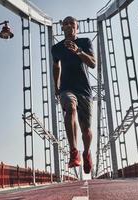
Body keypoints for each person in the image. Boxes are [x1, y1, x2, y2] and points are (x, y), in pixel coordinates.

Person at [51, 16, 96, 174]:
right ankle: (74, 152)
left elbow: (92, 63)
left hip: (84, 90)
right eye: (65, 24)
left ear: (77, 28)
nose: (69, 26)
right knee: (70, 107)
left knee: (86, 129)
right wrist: (56, 86)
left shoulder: (85, 42)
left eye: (72, 24)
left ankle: (86, 152)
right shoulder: (56, 48)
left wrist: (78, 51)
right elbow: (56, 66)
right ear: (62, 28)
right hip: (66, 88)